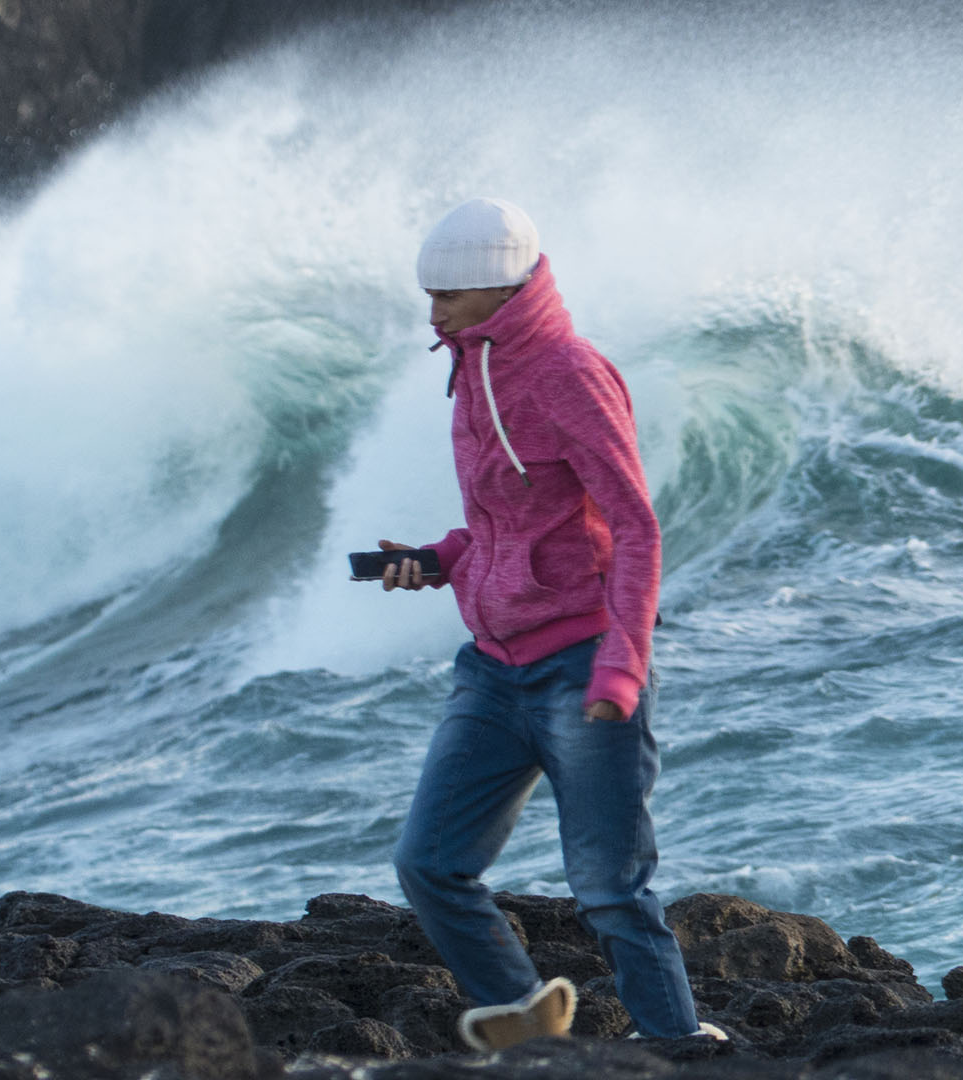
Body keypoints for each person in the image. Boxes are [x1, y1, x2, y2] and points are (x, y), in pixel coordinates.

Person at [374, 198, 723, 1051]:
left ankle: (677, 1047)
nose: (433, 312)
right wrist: (445, 556)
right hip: (492, 670)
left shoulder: (569, 372)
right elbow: (510, 521)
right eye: (429, 295)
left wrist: (621, 666)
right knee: (429, 864)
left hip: (581, 665)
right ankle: (532, 1022)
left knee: (610, 889)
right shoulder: (470, 365)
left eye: (448, 295)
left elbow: (635, 525)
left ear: (498, 288)